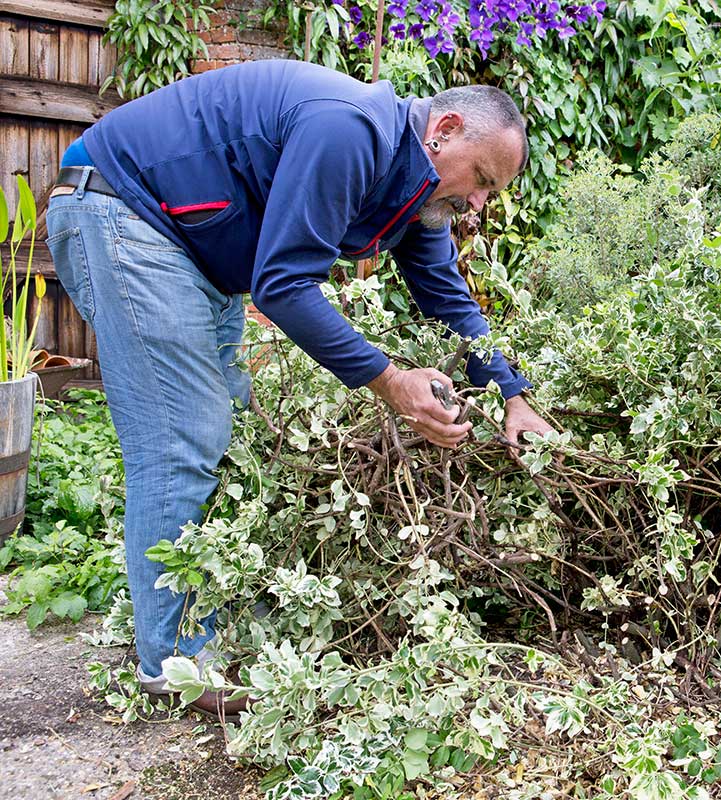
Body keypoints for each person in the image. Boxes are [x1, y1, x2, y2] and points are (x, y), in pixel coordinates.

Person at [43, 60, 552, 717]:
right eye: (481, 181)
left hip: (192, 254)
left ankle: (208, 603)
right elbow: (283, 285)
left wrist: (513, 395)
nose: (477, 205)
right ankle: (175, 665)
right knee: (184, 437)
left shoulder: (418, 191)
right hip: (120, 210)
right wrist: (389, 380)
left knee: (234, 431)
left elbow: (444, 292)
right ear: (444, 131)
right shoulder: (352, 131)